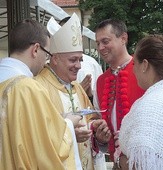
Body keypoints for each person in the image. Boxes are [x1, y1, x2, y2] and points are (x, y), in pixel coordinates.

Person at [0, 19, 82, 169]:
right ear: (36, 49)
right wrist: (68, 124)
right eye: (47, 54)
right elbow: (47, 150)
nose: (46, 61)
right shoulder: (28, 88)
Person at [35, 14, 111, 170]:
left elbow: (90, 120)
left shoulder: (76, 87)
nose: (78, 66)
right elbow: (36, 137)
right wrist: (69, 135)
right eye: (73, 60)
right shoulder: (38, 87)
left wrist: (97, 132)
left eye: (80, 60)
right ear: (55, 58)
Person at [93, 18, 145, 167]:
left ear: (123, 38)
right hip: (117, 163)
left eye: (105, 41)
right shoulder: (101, 80)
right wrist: (101, 138)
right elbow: (101, 120)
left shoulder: (144, 69)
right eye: (98, 43)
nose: (101, 47)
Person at [119, 34, 163, 170]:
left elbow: (144, 164)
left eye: (134, 63)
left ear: (145, 65)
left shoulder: (151, 106)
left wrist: (121, 161)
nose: (133, 70)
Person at [59, 16, 103, 101]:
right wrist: (78, 91)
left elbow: (99, 100)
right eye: (62, 35)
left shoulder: (92, 64)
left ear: (81, 37)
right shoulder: (49, 65)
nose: (77, 66)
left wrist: (90, 95)